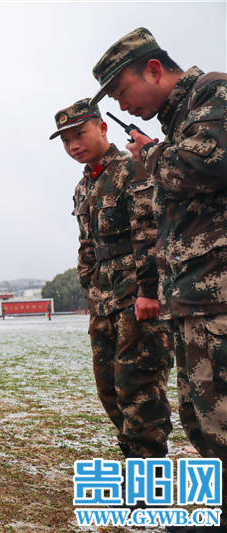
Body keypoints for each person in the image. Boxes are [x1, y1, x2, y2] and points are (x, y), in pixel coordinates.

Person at [92, 27, 227, 529]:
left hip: (217, 296)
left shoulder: (215, 94)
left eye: (123, 92)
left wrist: (150, 154)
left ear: (153, 70)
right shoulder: (180, 120)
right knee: (202, 424)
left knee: (218, 424)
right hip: (193, 297)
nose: (124, 106)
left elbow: (208, 162)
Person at [50, 98, 173, 461]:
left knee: (139, 390)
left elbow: (149, 233)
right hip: (103, 302)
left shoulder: (133, 169)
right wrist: (90, 291)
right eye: (66, 141)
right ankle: (134, 462)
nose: (74, 145)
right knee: (110, 389)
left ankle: (150, 483)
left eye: (80, 134)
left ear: (102, 129)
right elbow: (87, 245)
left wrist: (149, 292)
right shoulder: (85, 185)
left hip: (137, 298)